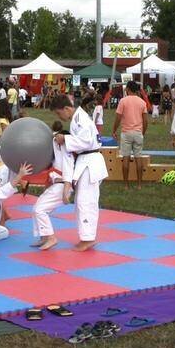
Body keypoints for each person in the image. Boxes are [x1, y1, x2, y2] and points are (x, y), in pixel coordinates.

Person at [51, 93, 111, 250]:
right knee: (82, 201)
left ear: (66, 108)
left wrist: (65, 139)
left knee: (86, 201)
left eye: (59, 113)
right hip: (87, 161)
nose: (60, 116)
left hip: (90, 162)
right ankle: (86, 237)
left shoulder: (79, 119)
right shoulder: (77, 119)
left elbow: (86, 142)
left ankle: (88, 238)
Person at [31, 120, 75, 250]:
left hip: (62, 186)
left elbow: (68, 173)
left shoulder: (67, 152)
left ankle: (51, 237)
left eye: (58, 139)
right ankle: (44, 237)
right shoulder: (58, 149)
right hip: (55, 185)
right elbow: (52, 135)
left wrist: (66, 192)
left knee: (40, 210)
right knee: (36, 209)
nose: (55, 141)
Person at [112, 81, 149, 189]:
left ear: (128, 89)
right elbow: (145, 121)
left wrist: (114, 130)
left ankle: (126, 185)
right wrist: (142, 132)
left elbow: (118, 118)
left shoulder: (123, 101)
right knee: (138, 158)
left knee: (126, 158)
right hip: (138, 132)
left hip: (126, 132)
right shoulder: (142, 102)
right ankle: (139, 184)